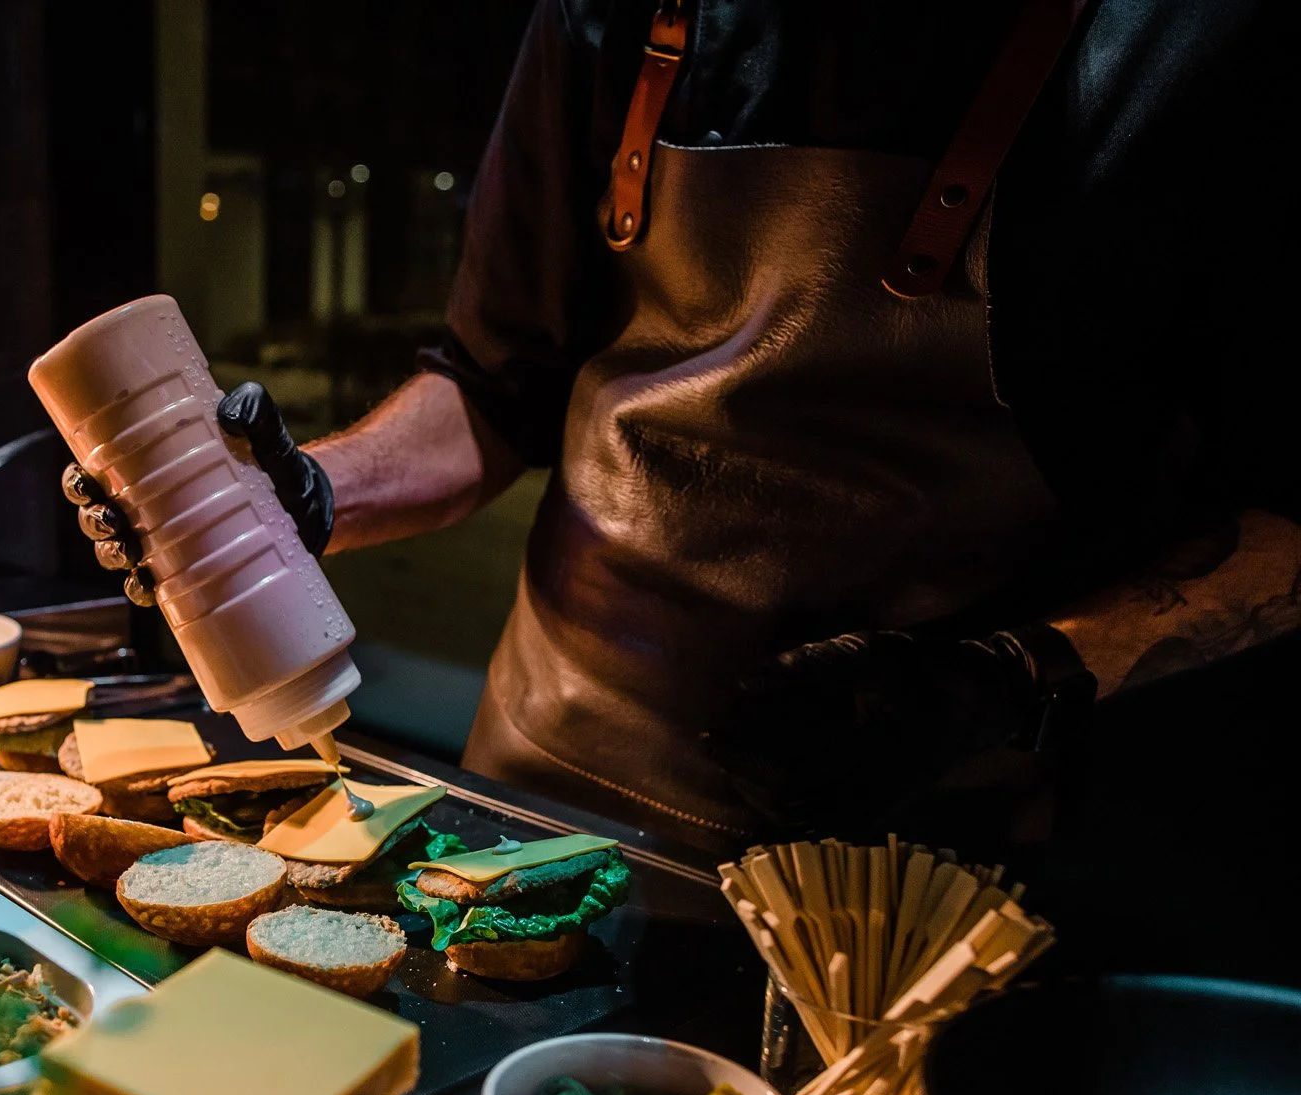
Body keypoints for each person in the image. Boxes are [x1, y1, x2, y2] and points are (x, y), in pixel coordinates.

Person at [65, 0, 1297, 972]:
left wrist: (1002, 678)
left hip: (904, 881)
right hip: (531, 793)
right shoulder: (624, 10)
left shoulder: (1196, 42)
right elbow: (491, 392)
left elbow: (1277, 531)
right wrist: (301, 499)